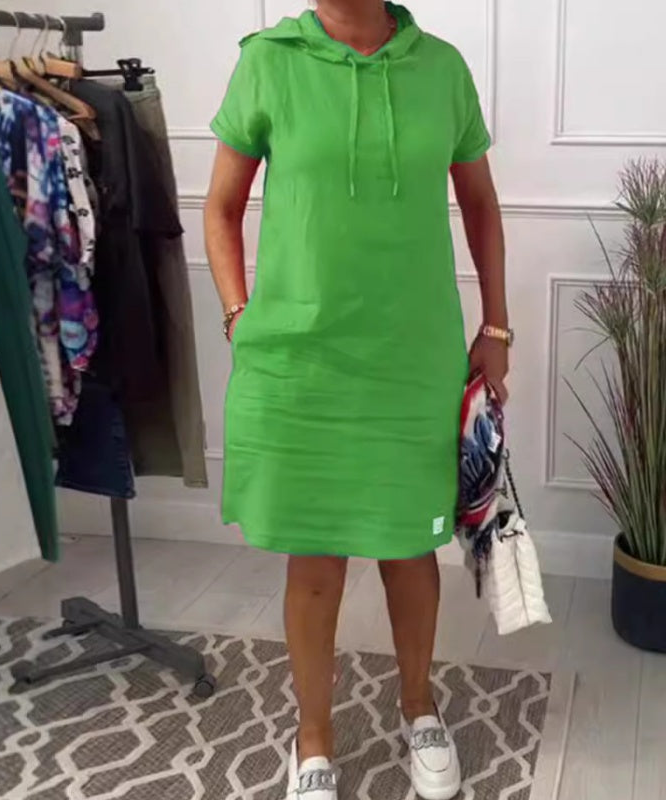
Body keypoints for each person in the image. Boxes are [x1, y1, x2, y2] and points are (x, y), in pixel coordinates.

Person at [204, 2, 510, 797]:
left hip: (412, 357)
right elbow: (220, 208)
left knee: (410, 549)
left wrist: (497, 327)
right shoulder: (269, 61)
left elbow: (481, 204)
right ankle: (313, 740)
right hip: (303, 360)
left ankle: (419, 707)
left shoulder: (441, 68)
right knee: (314, 558)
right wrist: (238, 315)